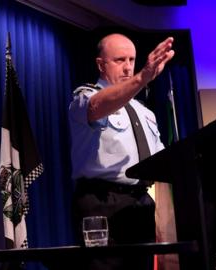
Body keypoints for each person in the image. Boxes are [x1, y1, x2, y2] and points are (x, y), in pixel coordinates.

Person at [68, 33, 176, 270]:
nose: (128, 68)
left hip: (140, 204)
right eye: (119, 60)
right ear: (100, 64)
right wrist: (143, 77)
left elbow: (162, 159)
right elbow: (97, 107)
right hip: (102, 203)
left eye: (132, 60)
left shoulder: (144, 112)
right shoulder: (85, 96)